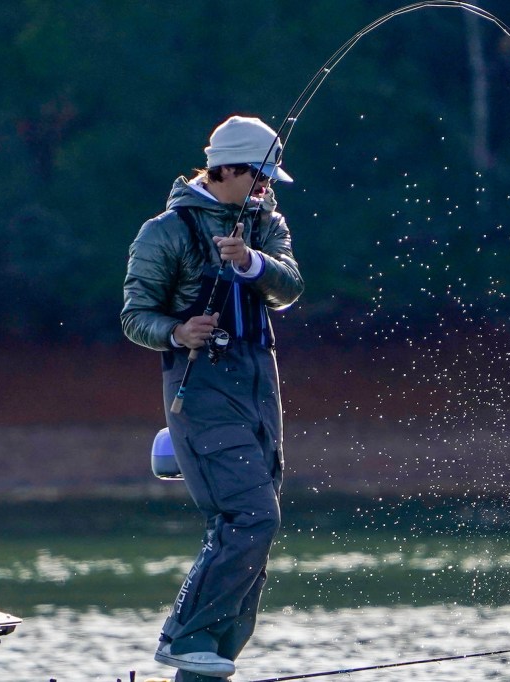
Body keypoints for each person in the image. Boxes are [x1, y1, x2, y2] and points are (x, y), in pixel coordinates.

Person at [121, 115, 304, 680]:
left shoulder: (268, 225)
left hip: (261, 385)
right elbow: (135, 316)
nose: (266, 188)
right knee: (251, 516)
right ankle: (185, 637)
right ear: (225, 170)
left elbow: (289, 286)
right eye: (259, 177)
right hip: (200, 388)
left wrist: (249, 261)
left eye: (270, 180)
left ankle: (208, 663)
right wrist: (178, 332)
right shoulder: (165, 231)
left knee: (255, 531)